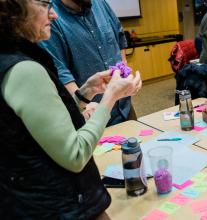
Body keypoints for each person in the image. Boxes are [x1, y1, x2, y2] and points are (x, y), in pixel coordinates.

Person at [0, 0, 142, 218]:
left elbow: (41, 121)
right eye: (45, 4)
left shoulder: (10, 56)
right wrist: (110, 97)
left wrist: (84, 93)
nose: (54, 15)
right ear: (14, 12)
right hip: (58, 205)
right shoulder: (24, 69)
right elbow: (75, 155)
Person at [39, 0, 132, 126]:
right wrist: (83, 105)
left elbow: (119, 35)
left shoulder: (100, 3)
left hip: (123, 105)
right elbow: (60, 71)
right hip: (92, 115)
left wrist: (124, 70)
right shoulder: (51, 18)